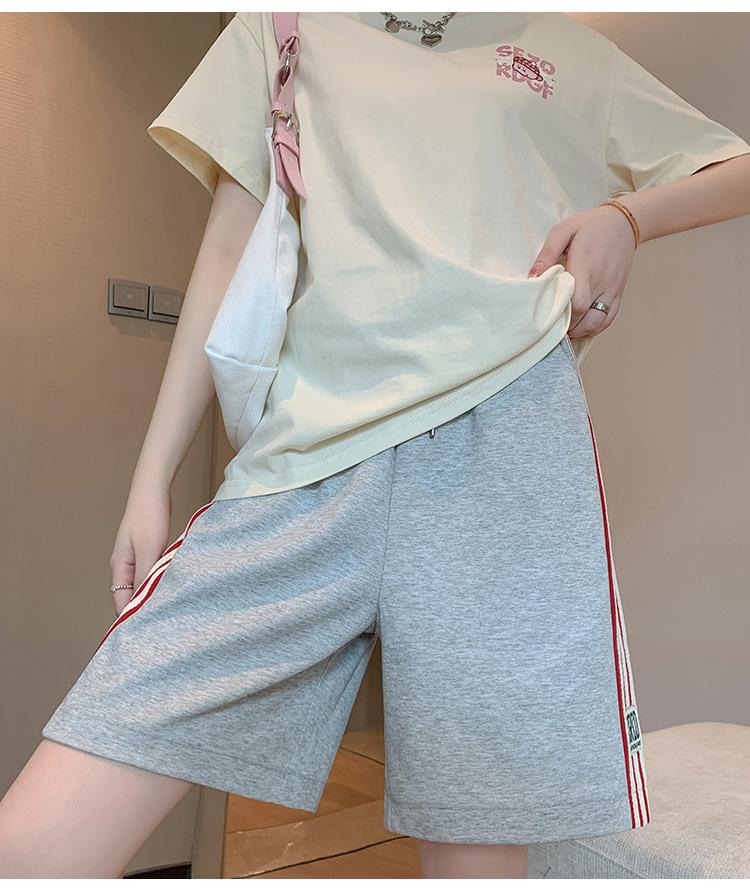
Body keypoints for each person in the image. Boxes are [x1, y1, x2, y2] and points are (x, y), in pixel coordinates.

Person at [2, 11, 749, 879]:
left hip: (506, 451)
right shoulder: (282, 27)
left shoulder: (565, 46)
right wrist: (151, 476)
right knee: (33, 844)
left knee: (477, 861)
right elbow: (228, 249)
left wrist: (628, 216)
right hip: (309, 457)